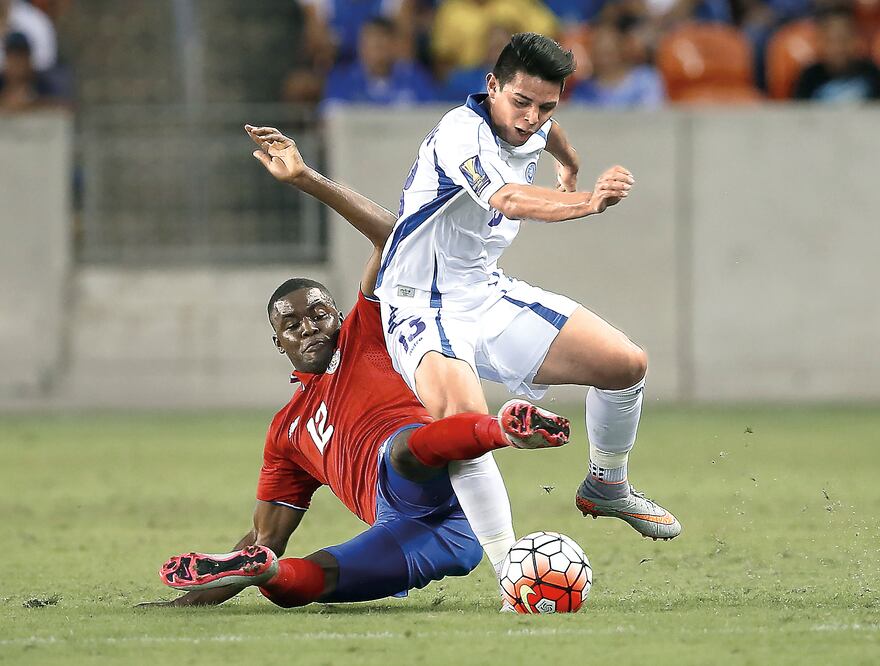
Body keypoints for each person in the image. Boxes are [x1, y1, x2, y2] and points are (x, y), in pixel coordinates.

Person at [144, 125, 570, 609]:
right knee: (295, 584)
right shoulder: (287, 432)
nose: (307, 328)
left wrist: (306, 178)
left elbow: (393, 238)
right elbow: (267, 535)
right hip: (407, 527)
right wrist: (187, 602)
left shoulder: (367, 329)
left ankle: (505, 429)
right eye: (291, 324)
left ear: (337, 316)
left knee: (404, 450)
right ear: (278, 342)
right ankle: (263, 576)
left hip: (434, 485)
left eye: (318, 314)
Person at [373, 32, 681, 579]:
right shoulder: (460, 134)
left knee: (626, 365)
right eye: (521, 102)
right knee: (468, 430)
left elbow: (550, 135)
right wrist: (584, 200)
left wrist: (569, 162)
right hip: (421, 303)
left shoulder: (534, 122)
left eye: (546, 106)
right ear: (491, 86)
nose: (532, 117)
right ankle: (512, 573)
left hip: (484, 290)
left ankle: (607, 484)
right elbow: (508, 199)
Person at [323, 16, 437, 107]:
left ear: (394, 46)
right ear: (361, 47)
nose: (377, 53)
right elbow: (332, 116)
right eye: (371, 45)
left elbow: (430, 113)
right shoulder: (342, 78)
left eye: (381, 45)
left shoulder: (414, 77)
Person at [569, 17, 665, 108]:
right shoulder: (583, 89)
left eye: (608, 53)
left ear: (622, 48)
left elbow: (652, 116)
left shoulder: (645, 80)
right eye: (598, 52)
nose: (604, 60)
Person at [793, 5, 880, 102]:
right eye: (831, 40)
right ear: (820, 41)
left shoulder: (871, 73)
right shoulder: (810, 76)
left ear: (856, 39)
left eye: (844, 40)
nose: (838, 47)